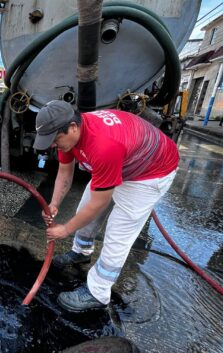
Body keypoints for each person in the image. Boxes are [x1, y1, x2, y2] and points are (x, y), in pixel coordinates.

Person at [34, 100, 179, 312]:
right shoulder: (67, 136)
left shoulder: (103, 145)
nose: (53, 145)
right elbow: (65, 171)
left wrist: (64, 229)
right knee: (83, 209)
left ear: (73, 127)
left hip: (150, 172)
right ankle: (82, 252)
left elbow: (99, 203)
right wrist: (54, 204)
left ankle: (98, 292)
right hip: (122, 160)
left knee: (118, 233)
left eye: (54, 139)